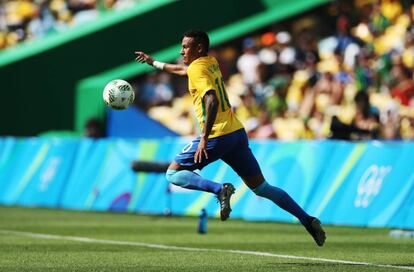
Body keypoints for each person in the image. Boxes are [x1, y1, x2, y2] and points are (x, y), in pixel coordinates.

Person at [135, 29, 326, 246]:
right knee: (262, 188)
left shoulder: (198, 69)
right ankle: (307, 220)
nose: (181, 51)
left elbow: (212, 100)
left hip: (217, 135)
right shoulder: (210, 62)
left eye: (185, 46)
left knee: (173, 173)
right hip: (236, 133)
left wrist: (205, 137)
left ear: (198, 48)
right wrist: (154, 63)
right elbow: (183, 70)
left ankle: (220, 190)